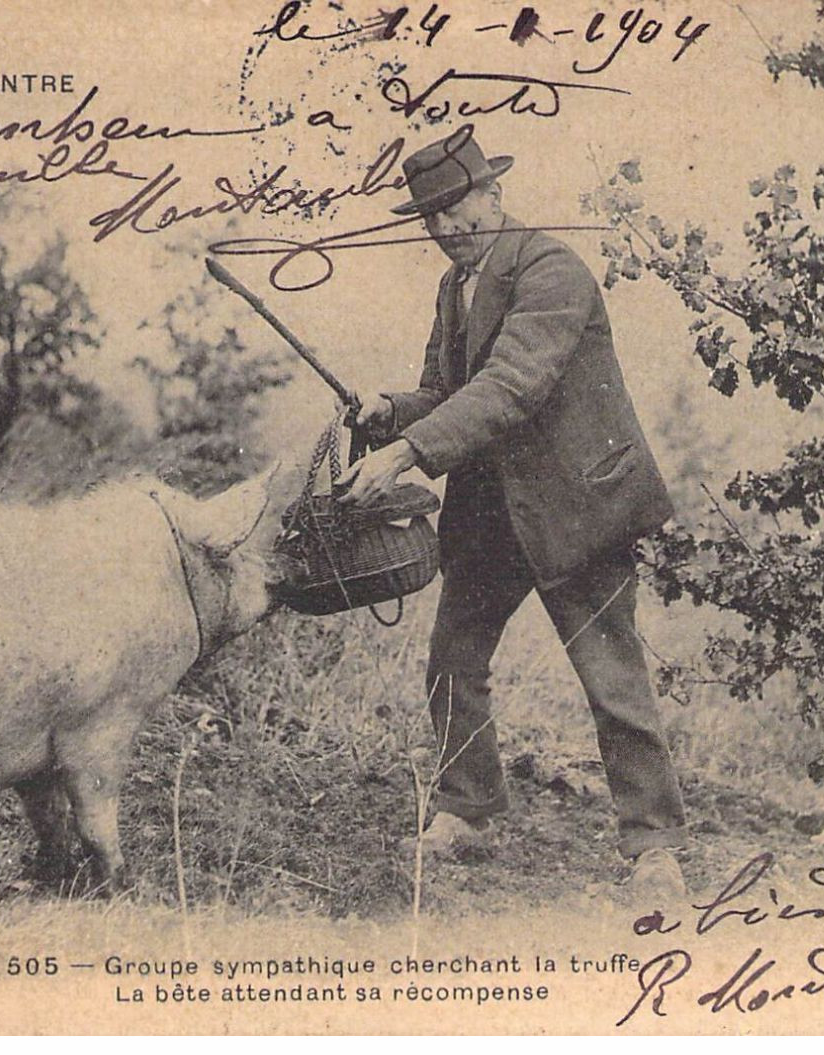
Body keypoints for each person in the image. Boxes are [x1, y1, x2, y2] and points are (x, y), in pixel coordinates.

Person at [336, 126, 690, 898]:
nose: (448, 228)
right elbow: (448, 391)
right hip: (493, 514)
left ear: (493, 194)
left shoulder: (552, 272)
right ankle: (466, 809)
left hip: (577, 509)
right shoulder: (453, 287)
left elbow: (509, 388)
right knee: (452, 659)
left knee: (611, 681)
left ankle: (654, 848)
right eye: (433, 218)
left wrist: (404, 454)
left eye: (459, 208)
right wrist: (390, 411)